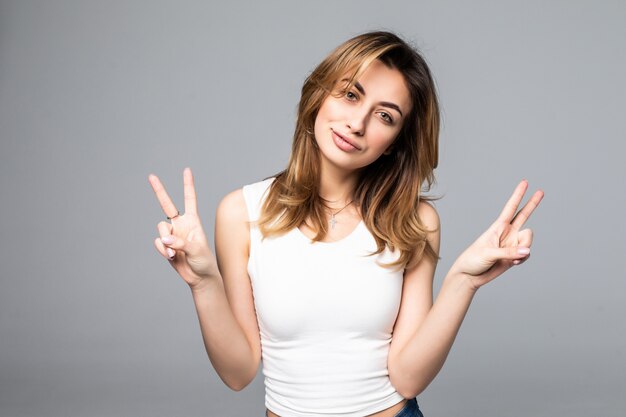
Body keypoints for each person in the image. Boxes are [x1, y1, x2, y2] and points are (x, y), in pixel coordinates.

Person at [148, 31, 544, 417]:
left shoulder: (415, 221)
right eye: (351, 95)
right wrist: (203, 283)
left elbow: (408, 378)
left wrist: (463, 280)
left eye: (385, 116)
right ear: (320, 94)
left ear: (394, 142)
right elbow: (238, 373)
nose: (357, 123)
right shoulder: (241, 212)